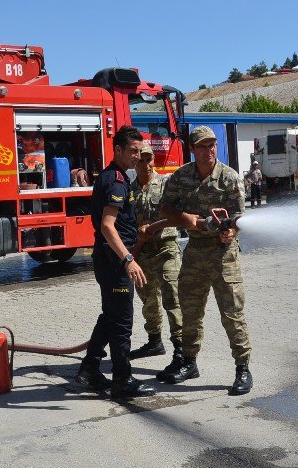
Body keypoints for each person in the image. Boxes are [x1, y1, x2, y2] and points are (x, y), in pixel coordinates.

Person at [160, 126, 253, 395]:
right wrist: (186, 219)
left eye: (212, 145)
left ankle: (243, 368)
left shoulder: (229, 178)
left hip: (224, 255)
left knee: (232, 313)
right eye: (203, 146)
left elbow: (239, 217)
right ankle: (189, 362)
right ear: (193, 149)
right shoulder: (181, 177)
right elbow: (166, 206)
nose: (209, 150)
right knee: (190, 311)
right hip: (194, 251)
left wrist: (231, 231)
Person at [75, 126, 156, 400]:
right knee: (121, 322)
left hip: (109, 258)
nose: (137, 156)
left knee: (110, 316)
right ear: (117, 150)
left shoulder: (114, 176)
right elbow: (108, 226)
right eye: (132, 151)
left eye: (140, 151)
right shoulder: (116, 182)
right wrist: (129, 259)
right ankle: (122, 380)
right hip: (115, 261)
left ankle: (89, 369)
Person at [128, 143, 183, 368]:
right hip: (142, 252)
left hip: (166, 248)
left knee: (172, 294)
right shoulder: (129, 190)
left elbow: (179, 213)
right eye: (141, 160)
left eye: (149, 159)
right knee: (147, 298)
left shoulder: (166, 185)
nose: (146, 164)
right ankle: (154, 341)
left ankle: (181, 349)